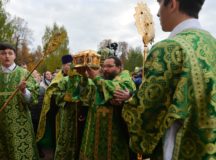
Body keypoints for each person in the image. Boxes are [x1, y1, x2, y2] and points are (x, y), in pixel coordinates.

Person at [114, 0, 216, 159]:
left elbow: (145, 115)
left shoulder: (169, 48)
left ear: (173, 4)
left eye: (160, 4)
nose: (157, 13)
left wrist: (130, 103)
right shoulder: (212, 44)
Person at [67, 55, 136, 160]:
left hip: (114, 132)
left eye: (109, 66)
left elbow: (115, 90)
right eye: (103, 66)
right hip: (93, 130)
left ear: (119, 67)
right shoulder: (100, 79)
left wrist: (95, 78)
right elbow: (85, 96)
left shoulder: (125, 79)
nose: (105, 69)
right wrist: (84, 78)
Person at [0, 42, 39, 159]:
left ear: (14, 56)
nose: (7, 56)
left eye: (10, 53)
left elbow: (33, 100)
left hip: (20, 125)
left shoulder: (24, 73)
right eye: (3, 53)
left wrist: (24, 91)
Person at [36, 54, 73, 159]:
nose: (70, 67)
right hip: (59, 114)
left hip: (75, 113)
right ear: (63, 65)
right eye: (68, 65)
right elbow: (51, 94)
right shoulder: (57, 79)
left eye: (72, 65)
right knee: (59, 137)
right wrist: (64, 96)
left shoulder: (77, 77)